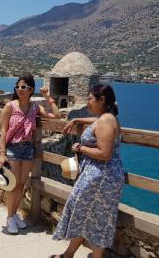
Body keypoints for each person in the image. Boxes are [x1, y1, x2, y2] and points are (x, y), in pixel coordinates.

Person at [50, 84, 124, 258]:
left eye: (90, 98)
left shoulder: (105, 121)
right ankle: (68, 255)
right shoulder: (107, 118)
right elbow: (99, 122)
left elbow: (105, 154)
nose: (88, 102)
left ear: (102, 99)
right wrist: (78, 120)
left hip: (100, 177)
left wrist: (80, 148)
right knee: (90, 216)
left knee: (93, 217)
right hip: (103, 176)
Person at [0, 76, 61, 234]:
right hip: (12, 149)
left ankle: (15, 215)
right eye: (17, 87)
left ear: (31, 90)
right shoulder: (10, 106)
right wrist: (2, 152)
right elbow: (4, 130)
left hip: (28, 150)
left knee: (20, 185)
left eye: (23, 87)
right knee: (12, 186)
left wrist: (48, 98)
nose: (19, 89)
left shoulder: (35, 107)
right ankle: (10, 217)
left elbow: (57, 116)